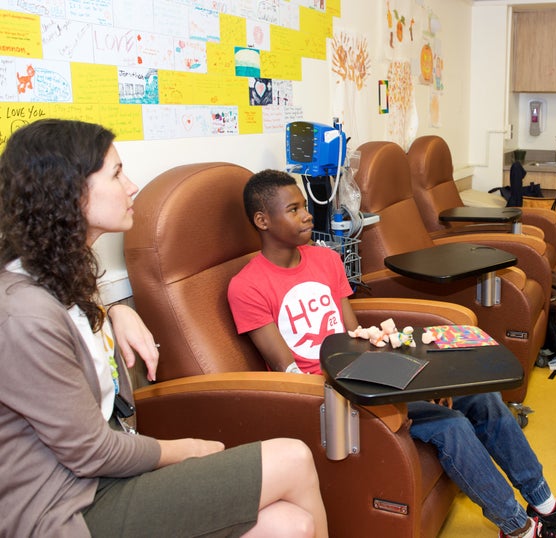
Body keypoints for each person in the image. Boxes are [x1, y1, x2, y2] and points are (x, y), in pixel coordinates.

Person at [228, 169, 556, 538]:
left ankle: (545, 504)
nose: (308, 214)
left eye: (303, 205)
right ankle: (518, 527)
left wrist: (408, 373)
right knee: (452, 426)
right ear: (263, 220)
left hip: (368, 372)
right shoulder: (247, 287)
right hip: (332, 401)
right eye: (293, 209)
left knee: (480, 395)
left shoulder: (326, 260)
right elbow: (289, 371)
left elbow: (352, 334)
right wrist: (384, 397)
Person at [0, 119, 329, 538]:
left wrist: (115, 312)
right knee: (295, 459)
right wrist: (188, 450)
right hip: (67, 506)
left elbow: (71, 327)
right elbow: (91, 452)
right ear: (69, 191)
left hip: (99, 481)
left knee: (291, 525)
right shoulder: (23, 314)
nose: (132, 185)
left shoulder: (59, 277)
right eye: (117, 174)